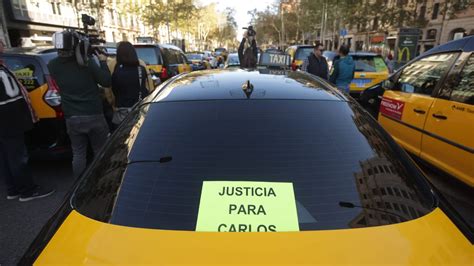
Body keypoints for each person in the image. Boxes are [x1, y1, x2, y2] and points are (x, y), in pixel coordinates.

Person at [47, 31, 111, 178]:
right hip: (93, 113)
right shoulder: (87, 63)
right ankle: (100, 181)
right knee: (100, 151)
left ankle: (79, 185)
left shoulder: (52, 65)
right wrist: (102, 62)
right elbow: (106, 81)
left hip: (72, 116)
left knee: (78, 153)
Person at [1, 40, 56, 201]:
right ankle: (27, 191)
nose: (3, 45)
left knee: (5, 157)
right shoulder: (2, 70)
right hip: (10, 119)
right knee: (17, 157)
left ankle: (13, 189)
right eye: (1, 43)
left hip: (5, 122)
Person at [110, 41, 149, 128]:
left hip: (122, 113)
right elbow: (145, 87)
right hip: (139, 110)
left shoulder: (117, 72)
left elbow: (115, 91)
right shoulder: (141, 70)